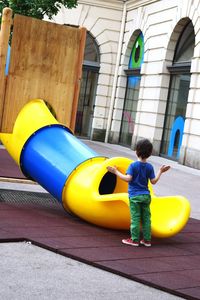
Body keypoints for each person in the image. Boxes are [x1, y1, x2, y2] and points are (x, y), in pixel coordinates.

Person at [107, 138, 170, 247]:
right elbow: (153, 182)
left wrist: (116, 172)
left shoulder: (133, 165)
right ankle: (147, 240)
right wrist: (160, 171)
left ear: (136, 150)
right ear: (150, 153)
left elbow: (128, 179)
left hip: (135, 196)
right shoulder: (149, 167)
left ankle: (134, 239)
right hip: (146, 196)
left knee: (135, 218)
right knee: (146, 218)